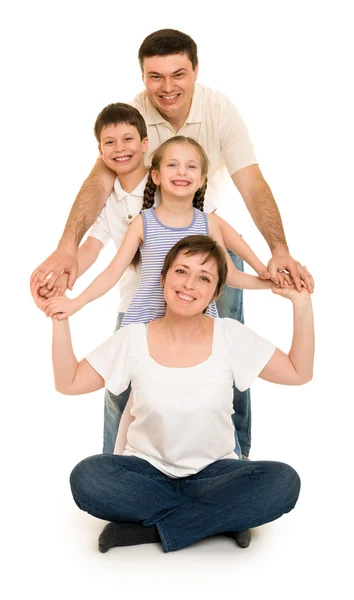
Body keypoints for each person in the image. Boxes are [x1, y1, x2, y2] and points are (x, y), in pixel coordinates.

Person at [31, 28, 314, 458]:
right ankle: (120, 468)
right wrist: (68, 252)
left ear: (195, 71)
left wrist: (271, 260)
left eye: (178, 74)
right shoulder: (134, 137)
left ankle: (234, 463)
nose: (167, 87)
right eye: (155, 77)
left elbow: (248, 192)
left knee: (229, 363)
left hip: (207, 256)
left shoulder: (219, 113)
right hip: (147, 289)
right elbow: (101, 183)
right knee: (123, 379)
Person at [31, 235, 314, 553]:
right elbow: (68, 382)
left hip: (215, 473)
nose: (189, 284)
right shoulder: (133, 338)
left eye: (204, 277)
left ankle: (150, 529)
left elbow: (298, 372)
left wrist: (301, 304)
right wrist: (60, 319)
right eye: (181, 271)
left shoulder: (230, 334)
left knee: (283, 482)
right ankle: (220, 520)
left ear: (215, 292)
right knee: (88, 477)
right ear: (163, 277)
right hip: (146, 473)